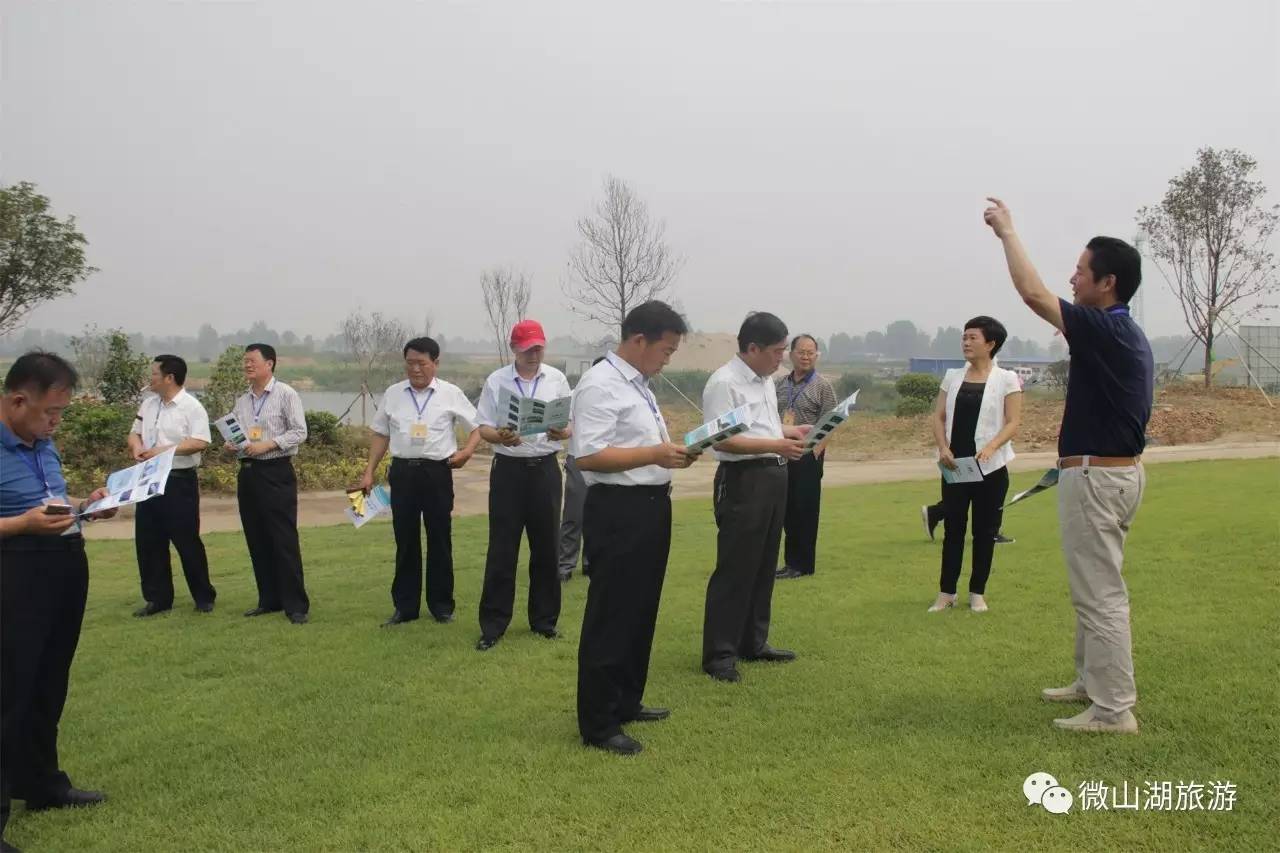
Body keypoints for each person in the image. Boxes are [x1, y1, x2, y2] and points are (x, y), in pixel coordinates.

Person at [984, 197, 1152, 734]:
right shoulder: (1118, 333)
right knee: (1093, 586)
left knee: (1099, 593)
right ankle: (1091, 681)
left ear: (1107, 284)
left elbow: (1033, 294)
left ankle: (1113, 710)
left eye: (1081, 272)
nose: (1072, 279)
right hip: (1106, 473)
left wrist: (1008, 233)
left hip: (1098, 477)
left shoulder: (1108, 329)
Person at [1, 352, 118, 852]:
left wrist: (84, 505)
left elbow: (51, 499)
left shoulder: (44, 444)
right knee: (9, 691)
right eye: (50, 412)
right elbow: (23, 515)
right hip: (16, 568)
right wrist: (23, 525)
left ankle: (41, 783)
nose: (56, 422)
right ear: (16, 400)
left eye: (62, 413)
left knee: (49, 681)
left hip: (64, 564)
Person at [569, 301, 697, 755]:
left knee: (641, 610)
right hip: (618, 510)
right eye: (664, 350)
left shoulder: (638, 384)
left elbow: (640, 445)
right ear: (638, 340)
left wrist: (673, 453)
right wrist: (655, 456)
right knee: (613, 614)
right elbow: (588, 455)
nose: (667, 359)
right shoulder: (601, 384)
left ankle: (627, 699)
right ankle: (599, 723)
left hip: (650, 506)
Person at [701, 312, 809, 683]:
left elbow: (761, 426)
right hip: (743, 479)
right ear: (752, 348)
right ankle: (720, 654)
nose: (782, 359)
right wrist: (776, 443)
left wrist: (790, 432)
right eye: (777, 351)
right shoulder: (725, 382)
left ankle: (753, 641)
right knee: (736, 567)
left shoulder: (764, 381)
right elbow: (722, 439)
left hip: (774, 474)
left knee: (764, 564)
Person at [359, 337, 481, 626]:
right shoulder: (393, 393)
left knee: (439, 538)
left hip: (437, 472)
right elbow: (380, 434)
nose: (415, 369)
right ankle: (405, 607)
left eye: (421, 363)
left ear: (435, 364)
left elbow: (477, 426)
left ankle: (441, 606)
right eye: (410, 363)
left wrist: (466, 452)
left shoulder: (450, 393)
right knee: (405, 539)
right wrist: (368, 471)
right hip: (403, 473)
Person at [474, 321, 572, 651]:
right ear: (515, 349)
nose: (534, 354)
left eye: (539, 348)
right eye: (528, 349)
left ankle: (544, 621)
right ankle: (493, 625)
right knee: (502, 548)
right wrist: (499, 435)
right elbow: (483, 427)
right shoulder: (497, 381)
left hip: (545, 468)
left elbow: (568, 423)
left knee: (547, 547)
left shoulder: (556, 379)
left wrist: (564, 432)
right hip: (509, 471)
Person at [926, 317, 1023, 614]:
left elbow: (1013, 422)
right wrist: (943, 447)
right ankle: (946, 593)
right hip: (956, 466)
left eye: (973, 338)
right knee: (953, 530)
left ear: (991, 344)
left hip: (991, 468)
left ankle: (977, 592)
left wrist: (992, 447)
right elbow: (939, 416)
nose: (966, 343)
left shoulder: (1007, 379)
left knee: (985, 532)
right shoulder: (953, 376)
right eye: (964, 337)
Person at [226, 343, 311, 624]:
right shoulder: (243, 400)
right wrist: (232, 444)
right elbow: (239, 434)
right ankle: (268, 599)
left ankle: (296, 605)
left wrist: (268, 445)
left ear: (270, 364)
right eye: (245, 361)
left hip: (276, 472)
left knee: (283, 538)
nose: (247, 365)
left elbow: (299, 432)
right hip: (248, 473)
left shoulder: (286, 394)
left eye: (252, 361)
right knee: (257, 536)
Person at [127, 354, 216, 617]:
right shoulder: (148, 405)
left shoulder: (191, 407)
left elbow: (200, 442)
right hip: (147, 481)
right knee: (149, 541)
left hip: (178, 481)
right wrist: (137, 447)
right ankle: (158, 598)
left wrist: (163, 451)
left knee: (186, 540)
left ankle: (203, 596)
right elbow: (135, 432)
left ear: (170, 378)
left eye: (154, 373)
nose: (150, 378)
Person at [774, 334, 836, 579]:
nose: (806, 356)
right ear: (791, 354)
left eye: (811, 352)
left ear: (816, 355)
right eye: (802, 352)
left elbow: (832, 422)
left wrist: (816, 452)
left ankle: (803, 564)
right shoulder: (779, 383)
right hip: (780, 453)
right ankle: (790, 563)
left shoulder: (822, 386)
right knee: (785, 511)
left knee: (805, 511)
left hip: (808, 457)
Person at [558, 356, 606, 583]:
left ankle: (590, 562)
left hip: (607, 461)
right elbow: (566, 424)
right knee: (574, 515)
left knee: (598, 515)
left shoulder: (614, 394)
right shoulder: (577, 393)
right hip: (579, 459)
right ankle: (565, 564)